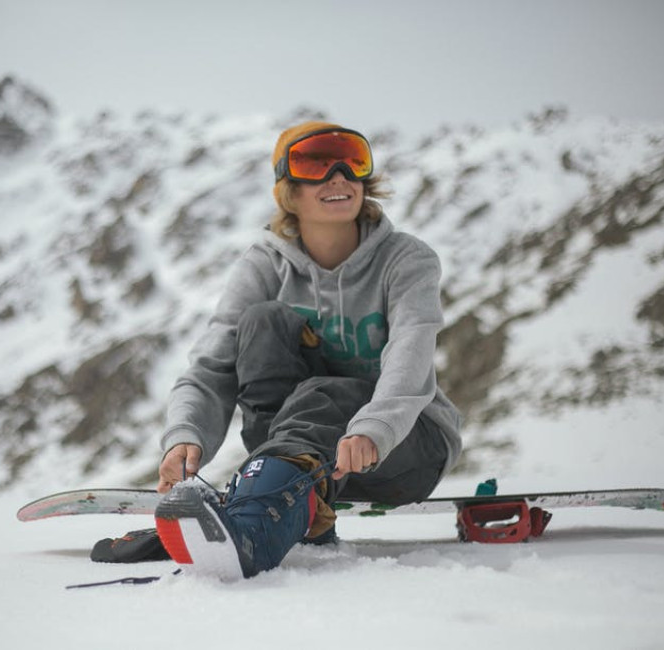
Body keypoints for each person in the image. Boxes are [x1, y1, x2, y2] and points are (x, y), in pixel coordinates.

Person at [148, 121, 462, 580]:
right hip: (310, 458)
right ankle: (277, 496)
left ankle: (257, 531)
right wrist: (185, 434)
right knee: (262, 322)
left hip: (404, 444)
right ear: (288, 191)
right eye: (315, 164)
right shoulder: (265, 264)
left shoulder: (407, 260)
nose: (338, 176)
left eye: (352, 162)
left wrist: (373, 428)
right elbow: (212, 364)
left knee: (328, 391)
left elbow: (410, 355)